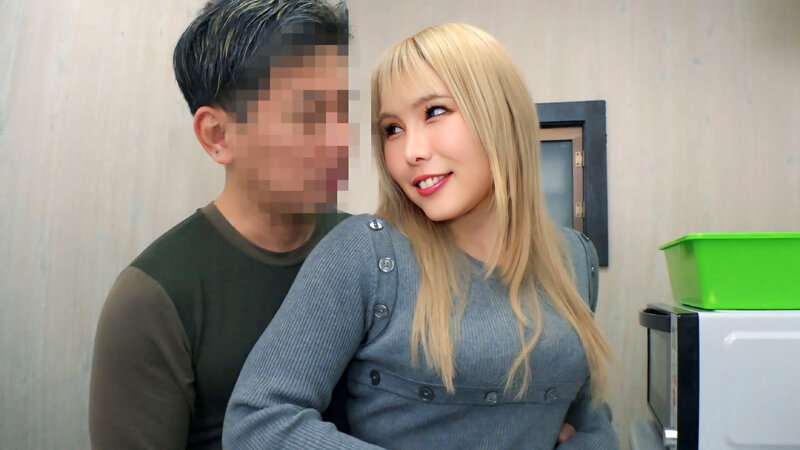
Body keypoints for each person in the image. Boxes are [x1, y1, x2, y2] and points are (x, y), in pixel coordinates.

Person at [223, 22, 618, 449]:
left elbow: (591, 423)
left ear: (501, 114)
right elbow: (257, 423)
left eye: (434, 112)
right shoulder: (365, 253)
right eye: (392, 129)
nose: (410, 151)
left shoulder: (576, 257)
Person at [88, 1, 352, 448]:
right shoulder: (153, 298)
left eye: (341, 109)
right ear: (217, 135)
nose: (339, 138)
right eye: (308, 116)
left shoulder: (363, 248)